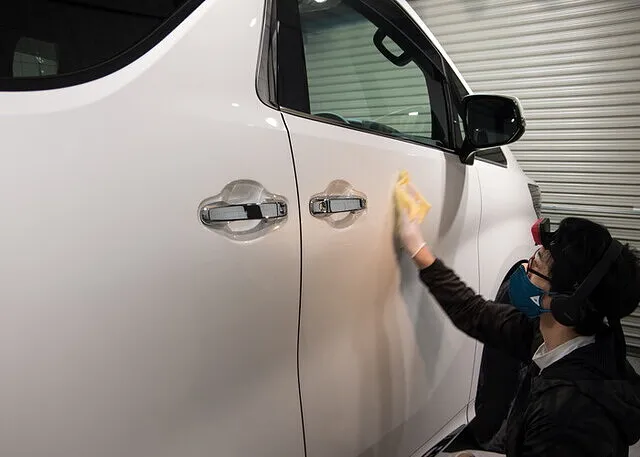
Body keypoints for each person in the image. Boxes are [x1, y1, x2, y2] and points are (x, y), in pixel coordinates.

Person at [398, 211, 640, 457]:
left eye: (536, 265)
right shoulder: (565, 342)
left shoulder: (567, 416)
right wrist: (419, 251)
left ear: (566, 305)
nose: (524, 267)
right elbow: (475, 312)